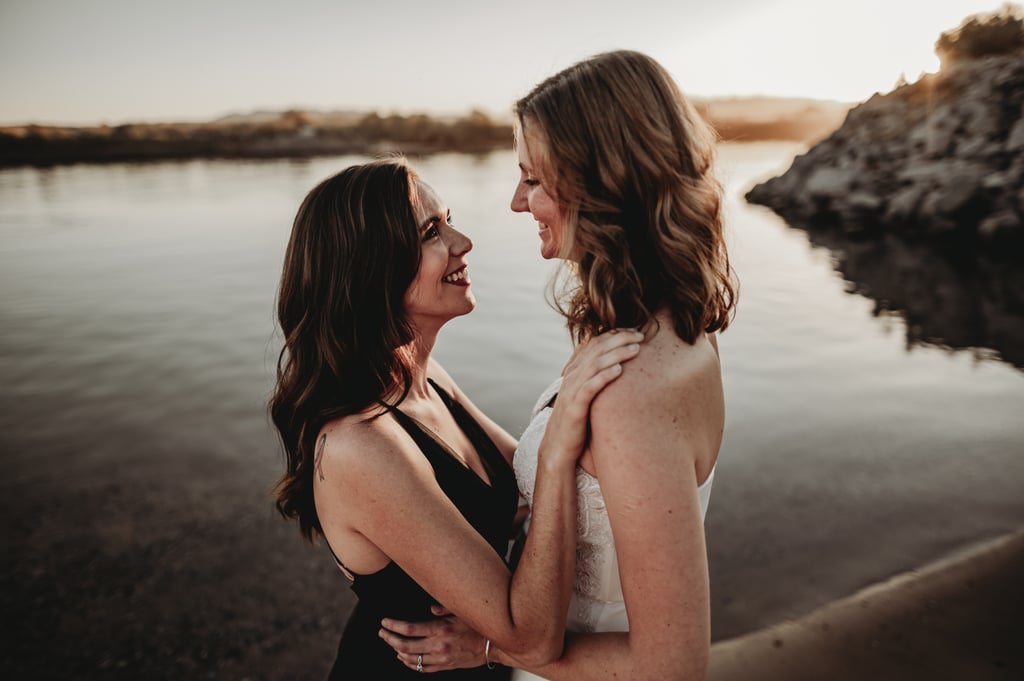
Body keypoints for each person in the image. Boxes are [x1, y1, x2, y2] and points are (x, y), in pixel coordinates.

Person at [380, 49, 737, 680]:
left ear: (602, 185)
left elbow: (671, 667)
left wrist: (492, 647)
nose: (518, 203)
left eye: (533, 180)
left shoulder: (629, 391)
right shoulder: (670, 328)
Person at [269, 157, 644, 678]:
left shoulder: (425, 380)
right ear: (370, 269)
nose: (462, 241)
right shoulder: (360, 445)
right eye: (431, 232)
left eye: (448, 220)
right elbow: (531, 638)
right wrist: (558, 447)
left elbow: (521, 494)